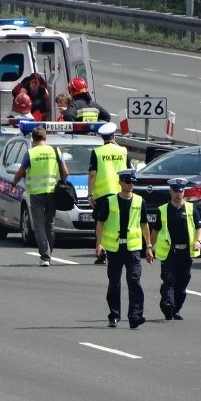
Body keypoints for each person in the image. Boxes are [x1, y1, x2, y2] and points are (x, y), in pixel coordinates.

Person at [94, 169, 154, 329]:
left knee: (134, 281)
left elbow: (144, 224)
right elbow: (100, 222)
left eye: (133, 182)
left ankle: (135, 316)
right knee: (114, 283)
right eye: (128, 182)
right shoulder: (110, 201)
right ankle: (114, 316)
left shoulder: (139, 201)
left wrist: (149, 245)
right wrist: (98, 244)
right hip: (114, 248)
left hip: (133, 248)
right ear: (120, 183)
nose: (131, 185)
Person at [12, 127, 68, 267]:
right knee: (49, 224)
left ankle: (45, 256)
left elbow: (20, 172)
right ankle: (49, 253)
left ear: (33, 139)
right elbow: (65, 171)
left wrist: (14, 183)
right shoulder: (55, 151)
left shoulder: (30, 153)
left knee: (39, 226)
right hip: (52, 192)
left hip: (36, 193)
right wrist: (63, 182)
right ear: (45, 138)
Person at [150, 177, 201, 321]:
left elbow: (199, 228)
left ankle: (176, 309)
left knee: (182, 282)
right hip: (169, 252)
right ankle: (167, 304)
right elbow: (155, 231)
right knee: (169, 280)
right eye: (175, 191)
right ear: (170, 191)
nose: (178, 194)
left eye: (180, 191)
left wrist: (198, 241)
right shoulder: (162, 210)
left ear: (183, 192)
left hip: (186, 252)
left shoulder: (191, 209)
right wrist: (149, 247)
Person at [87, 122, 131, 264]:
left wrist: (89, 194)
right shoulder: (123, 151)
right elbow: (130, 172)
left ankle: (101, 252)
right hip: (120, 192)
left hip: (103, 194)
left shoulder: (97, 152)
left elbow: (92, 175)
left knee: (101, 223)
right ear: (114, 136)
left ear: (103, 138)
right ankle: (118, 250)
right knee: (118, 222)